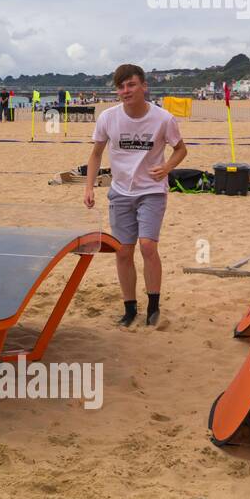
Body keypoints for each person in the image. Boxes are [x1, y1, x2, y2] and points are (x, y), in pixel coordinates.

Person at [83, 64, 188, 328]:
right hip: (120, 192)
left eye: (131, 85)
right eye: (121, 87)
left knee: (148, 246)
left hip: (152, 191)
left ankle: (153, 306)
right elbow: (96, 154)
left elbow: (180, 150)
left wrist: (167, 167)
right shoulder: (108, 117)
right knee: (123, 251)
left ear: (143, 86)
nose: (125, 91)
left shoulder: (163, 119)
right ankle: (130, 308)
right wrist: (89, 186)